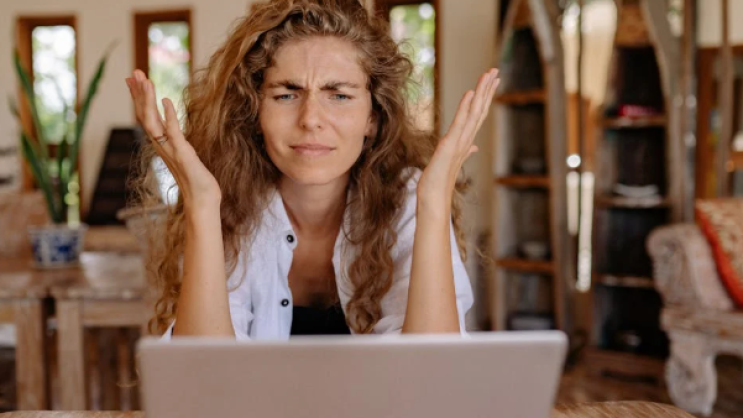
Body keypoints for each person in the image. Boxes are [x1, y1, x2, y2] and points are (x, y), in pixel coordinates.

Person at [125, 0, 498, 340]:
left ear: (372, 117)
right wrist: (202, 204)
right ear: (254, 112)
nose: (311, 119)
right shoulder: (228, 202)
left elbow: (431, 377)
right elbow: (205, 378)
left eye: (339, 95)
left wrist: (432, 200)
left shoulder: (406, 198)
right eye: (286, 94)